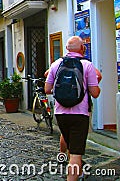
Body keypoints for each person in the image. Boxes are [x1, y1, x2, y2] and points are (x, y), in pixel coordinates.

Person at [45, 36, 100, 181]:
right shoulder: (87, 65)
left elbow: (47, 89)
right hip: (80, 114)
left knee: (71, 148)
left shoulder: (56, 64)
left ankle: (79, 173)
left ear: (67, 49)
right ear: (82, 48)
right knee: (76, 154)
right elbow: (95, 93)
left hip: (60, 113)